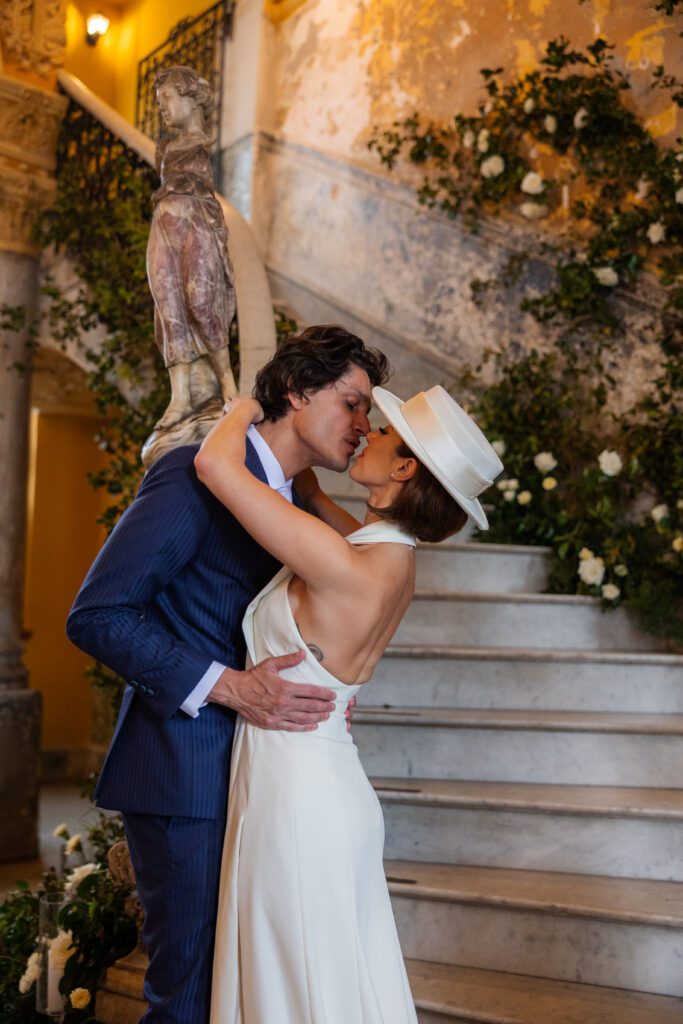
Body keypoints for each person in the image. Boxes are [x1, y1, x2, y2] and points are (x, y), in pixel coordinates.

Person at [66, 325, 390, 1023]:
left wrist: (329, 686)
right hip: (187, 772)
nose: (364, 427)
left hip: (265, 779)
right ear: (298, 391)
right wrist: (230, 685)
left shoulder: (294, 503)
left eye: (369, 414)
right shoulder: (192, 472)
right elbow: (97, 615)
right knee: (188, 994)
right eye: (353, 403)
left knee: (238, 995)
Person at [195, 382, 504, 1023]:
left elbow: (213, 466)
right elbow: (310, 503)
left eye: (383, 431)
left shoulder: (350, 565)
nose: (365, 430)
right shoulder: (386, 554)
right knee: (320, 983)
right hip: (314, 782)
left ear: (404, 468)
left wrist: (257, 402)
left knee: (299, 986)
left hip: (300, 801)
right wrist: (306, 475)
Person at [147, 65, 237, 428]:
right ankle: (181, 396)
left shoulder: (206, 143)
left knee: (201, 302)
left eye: (167, 98)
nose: (163, 108)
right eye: (159, 101)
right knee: (169, 307)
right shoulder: (165, 147)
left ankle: (228, 384)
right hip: (164, 225)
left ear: (189, 96)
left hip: (197, 222)